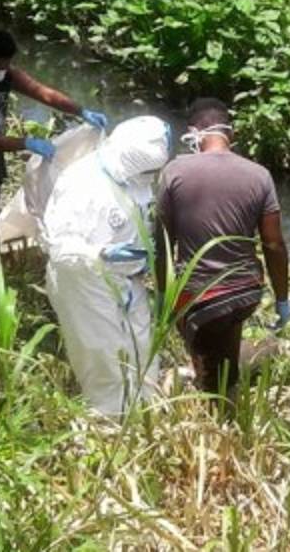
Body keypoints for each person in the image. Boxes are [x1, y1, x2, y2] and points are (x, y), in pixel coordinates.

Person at [153, 97, 290, 404]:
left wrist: (163, 296)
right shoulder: (260, 175)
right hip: (246, 293)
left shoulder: (174, 172)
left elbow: (162, 243)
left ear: (193, 133)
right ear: (231, 133)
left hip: (196, 297)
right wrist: (282, 299)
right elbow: (273, 244)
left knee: (212, 376)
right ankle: (233, 365)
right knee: (222, 338)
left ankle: (219, 392)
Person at [0, 28, 108, 270]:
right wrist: (25, 143)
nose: (0, 72)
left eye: (5, 66)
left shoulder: (7, 75)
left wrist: (81, 111)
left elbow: (43, 93)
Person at [42, 115, 171, 417]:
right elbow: (58, 246)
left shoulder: (134, 179)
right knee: (101, 353)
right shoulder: (81, 182)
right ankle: (110, 420)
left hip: (128, 277)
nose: (149, 177)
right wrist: (100, 253)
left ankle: (146, 410)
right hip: (84, 281)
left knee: (141, 343)